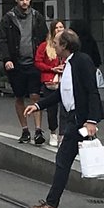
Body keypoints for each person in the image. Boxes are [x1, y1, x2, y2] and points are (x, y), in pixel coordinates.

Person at [25, 29, 104, 208]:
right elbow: (62, 94)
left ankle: (52, 204)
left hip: (80, 120)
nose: (53, 45)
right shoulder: (68, 64)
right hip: (75, 118)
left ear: (65, 45)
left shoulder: (82, 61)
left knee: (63, 160)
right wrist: (38, 105)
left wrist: (91, 120)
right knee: (96, 158)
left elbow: (92, 91)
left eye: (56, 42)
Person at [0, 0, 48, 145]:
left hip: (34, 63)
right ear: (16, 0)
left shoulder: (37, 16)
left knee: (35, 95)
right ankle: (25, 129)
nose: (25, 2)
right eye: (22, 0)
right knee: (19, 96)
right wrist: (7, 58)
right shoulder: (8, 18)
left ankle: (39, 130)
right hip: (16, 63)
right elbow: (3, 40)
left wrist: (44, 58)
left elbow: (44, 39)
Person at [34, 19, 67, 147]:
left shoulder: (67, 45)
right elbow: (38, 62)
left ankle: (62, 134)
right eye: (57, 27)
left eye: (61, 27)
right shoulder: (44, 46)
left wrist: (63, 67)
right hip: (50, 81)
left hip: (64, 80)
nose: (59, 29)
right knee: (51, 110)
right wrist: (51, 69)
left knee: (65, 110)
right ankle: (53, 132)